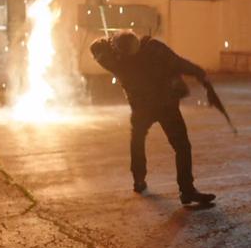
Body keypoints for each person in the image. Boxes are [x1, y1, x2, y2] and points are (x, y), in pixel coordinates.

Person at [91, 30, 216, 205]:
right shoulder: (153, 48)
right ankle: (186, 190)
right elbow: (179, 63)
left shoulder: (114, 61)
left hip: (147, 109)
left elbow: (95, 47)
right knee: (181, 147)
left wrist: (110, 41)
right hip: (165, 105)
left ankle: (139, 180)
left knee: (139, 141)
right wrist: (200, 73)